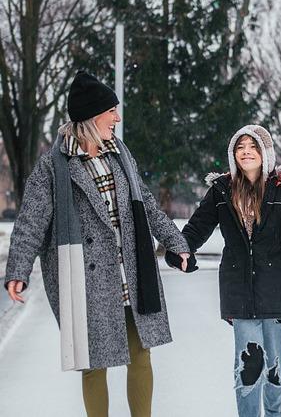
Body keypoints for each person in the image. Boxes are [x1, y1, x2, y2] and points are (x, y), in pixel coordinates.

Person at [4, 71, 193, 417]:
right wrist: (18, 269)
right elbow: (31, 220)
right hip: (86, 278)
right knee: (93, 364)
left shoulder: (119, 154)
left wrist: (175, 241)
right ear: (92, 116)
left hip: (131, 271)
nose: (117, 119)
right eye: (112, 112)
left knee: (141, 354)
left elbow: (146, 204)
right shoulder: (53, 166)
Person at [176, 124, 281, 417]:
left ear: (265, 153)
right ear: (232, 155)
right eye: (240, 147)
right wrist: (182, 250)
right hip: (238, 292)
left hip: (275, 292)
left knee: (275, 367)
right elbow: (197, 227)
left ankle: (274, 414)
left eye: (253, 146)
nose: (246, 152)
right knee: (248, 367)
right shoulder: (222, 190)